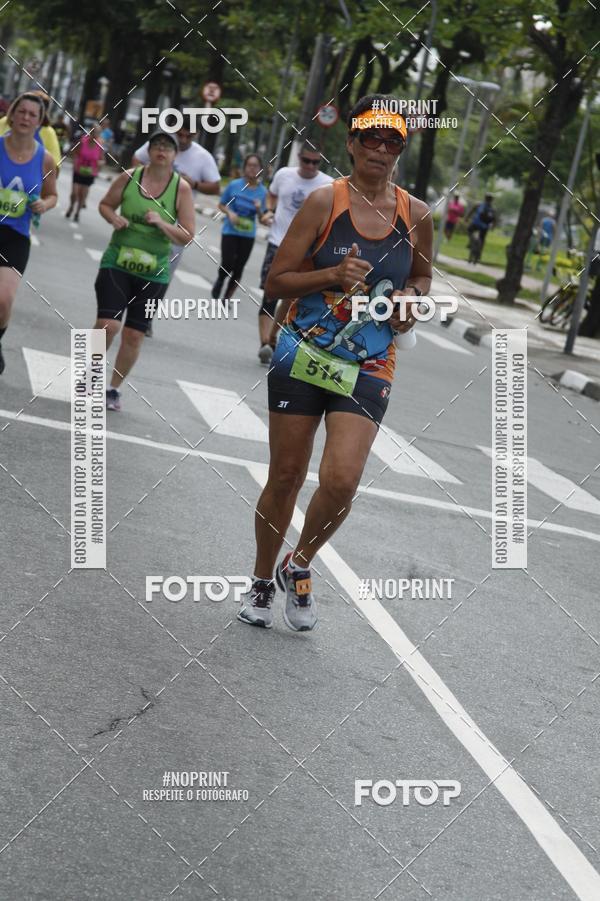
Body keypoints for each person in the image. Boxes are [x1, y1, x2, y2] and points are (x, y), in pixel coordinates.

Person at [237, 94, 432, 631]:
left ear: (400, 151)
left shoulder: (415, 214)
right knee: (287, 476)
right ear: (351, 143)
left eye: (392, 140)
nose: (381, 148)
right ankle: (258, 581)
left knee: (343, 481)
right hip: (303, 349)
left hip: (370, 363)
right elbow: (277, 281)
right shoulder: (326, 202)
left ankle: (297, 565)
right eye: (371, 137)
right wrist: (329, 276)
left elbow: (421, 277)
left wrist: (413, 302)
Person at [93, 130, 195, 411]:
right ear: (149, 152)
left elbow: (187, 235)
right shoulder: (129, 176)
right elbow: (105, 204)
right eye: (157, 146)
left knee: (134, 334)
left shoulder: (181, 188)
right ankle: (89, 372)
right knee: (108, 324)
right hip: (117, 262)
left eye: (168, 147)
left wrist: (161, 223)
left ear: (175, 155)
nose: (162, 151)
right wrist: (113, 217)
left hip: (154, 272)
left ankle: (113, 388)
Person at [257, 141, 333, 365]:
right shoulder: (284, 175)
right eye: (306, 161)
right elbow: (271, 195)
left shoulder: (328, 185)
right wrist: (269, 211)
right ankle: (265, 342)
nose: (310, 166)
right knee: (270, 293)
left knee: (290, 297)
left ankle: (272, 337)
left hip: (307, 248)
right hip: (278, 241)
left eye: (315, 162)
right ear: (299, 158)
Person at [0, 93, 57, 374]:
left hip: (16, 234)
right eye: (20, 112)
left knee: (4, 298)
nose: (24, 118)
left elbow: (53, 195)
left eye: (31, 115)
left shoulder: (44, 160)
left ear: (39, 122)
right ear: (11, 115)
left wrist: (44, 204)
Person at [132, 118, 220, 277]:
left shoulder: (203, 157)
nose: (183, 140)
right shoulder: (161, 144)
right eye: (180, 135)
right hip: (148, 211)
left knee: (162, 270)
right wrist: (147, 174)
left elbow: (215, 187)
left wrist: (195, 184)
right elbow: (137, 158)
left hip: (177, 220)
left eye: (189, 136)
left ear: (197, 134)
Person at [212, 153, 267, 302]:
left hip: (248, 234)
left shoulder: (263, 192)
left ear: (261, 169)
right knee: (228, 262)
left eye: (255, 166)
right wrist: (230, 212)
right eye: (249, 165)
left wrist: (258, 209)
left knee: (239, 267)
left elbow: (263, 219)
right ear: (244, 167)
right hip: (230, 230)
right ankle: (220, 280)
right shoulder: (234, 185)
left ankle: (227, 297)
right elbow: (221, 204)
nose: (252, 168)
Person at [0, 90, 62, 168]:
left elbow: (55, 166)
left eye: (33, 114)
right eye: (22, 111)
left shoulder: (48, 132)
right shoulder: (4, 122)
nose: (26, 118)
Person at [66, 124, 104, 222]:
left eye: (97, 133)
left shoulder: (100, 145)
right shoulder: (83, 141)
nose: (95, 135)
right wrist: (75, 163)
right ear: (90, 132)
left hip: (90, 172)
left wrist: (99, 165)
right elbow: (74, 152)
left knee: (82, 194)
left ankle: (77, 213)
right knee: (74, 193)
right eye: (94, 132)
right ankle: (71, 206)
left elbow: (102, 160)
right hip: (78, 170)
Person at [466, 193, 496, 260]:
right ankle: (479, 254)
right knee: (482, 239)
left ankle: (472, 241)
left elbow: (471, 212)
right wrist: (493, 227)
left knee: (469, 230)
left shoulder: (478, 204)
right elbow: (494, 219)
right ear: (492, 200)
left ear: (485, 198)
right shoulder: (492, 208)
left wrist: (467, 218)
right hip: (485, 226)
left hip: (476, 223)